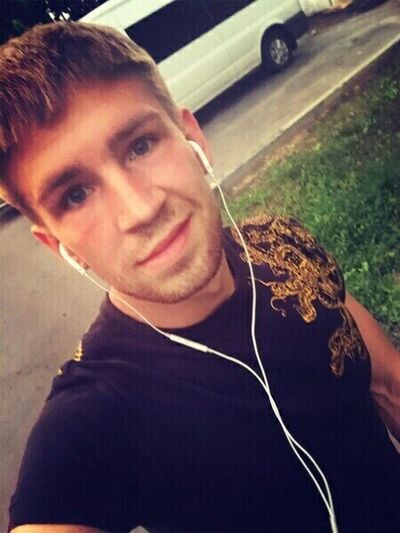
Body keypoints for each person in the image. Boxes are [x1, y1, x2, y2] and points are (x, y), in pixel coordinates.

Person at [1, 21, 399, 533]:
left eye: (141, 146)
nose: (140, 209)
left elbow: (385, 381)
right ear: (58, 246)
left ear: (193, 138)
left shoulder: (282, 242)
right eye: (75, 195)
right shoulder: (89, 422)